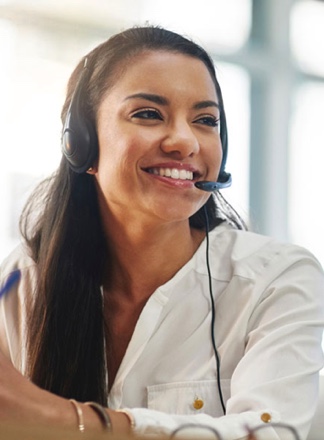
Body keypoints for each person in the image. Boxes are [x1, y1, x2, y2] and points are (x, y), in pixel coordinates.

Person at [0, 25, 323, 440]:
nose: (185, 142)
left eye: (205, 120)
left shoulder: (276, 279)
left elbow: (270, 435)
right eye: (149, 114)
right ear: (81, 144)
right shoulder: (24, 279)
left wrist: (67, 422)